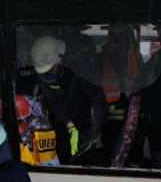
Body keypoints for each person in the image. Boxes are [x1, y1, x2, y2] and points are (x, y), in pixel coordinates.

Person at [31, 36, 108, 166]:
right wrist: (71, 127)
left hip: (84, 122)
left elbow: (98, 102)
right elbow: (53, 100)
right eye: (47, 69)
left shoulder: (81, 71)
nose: (50, 71)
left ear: (60, 60)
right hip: (62, 123)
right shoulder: (44, 74)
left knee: (84, 160)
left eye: (52, 67)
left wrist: (93, 134)